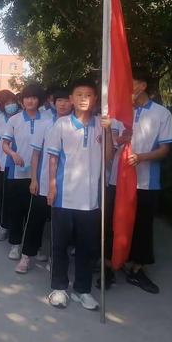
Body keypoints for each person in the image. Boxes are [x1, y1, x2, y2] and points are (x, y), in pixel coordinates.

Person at [104, 68, 172, 294]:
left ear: (143, 85)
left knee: (142, 225)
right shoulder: (118, 113)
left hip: (146, 182)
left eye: (130, 83)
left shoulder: (161, 114)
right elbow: (112, 147)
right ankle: (108, 266)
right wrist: (112, 136)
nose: (125, 88)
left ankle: (137, 269)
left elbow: (165, 149)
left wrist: (142, 157)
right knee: (112, 223)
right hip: (117, 178)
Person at [46, 78, 113, 310]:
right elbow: (52, 158)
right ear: (72, 99)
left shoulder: (100, 125)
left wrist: (108, 131)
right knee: (60, 245)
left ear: (95, 100)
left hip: (91, 200)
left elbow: (108, 157)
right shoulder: (61, 125)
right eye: (79, 95)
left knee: (88, 248)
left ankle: (82, 290)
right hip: (65, 197)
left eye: (88, 95)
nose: (84, 99)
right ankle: (59, 288)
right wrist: (52, 186)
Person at [24, 88, 72, 271]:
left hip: (67, 185)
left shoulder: (76, 125)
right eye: (59, 100)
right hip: (43, 183)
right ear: (53, 102)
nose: (62, 104)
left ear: (72, 102)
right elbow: (35, 155)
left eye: (66, 100)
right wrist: (33, 179)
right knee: (35, 221)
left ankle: (55, 259)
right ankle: (27, 255)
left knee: (61, 227)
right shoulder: (45, 124)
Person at [1, 83, 45, 265]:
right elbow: (4, 144)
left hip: (39, 175)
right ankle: (15, 244)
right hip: (17, 173)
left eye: (34, 97)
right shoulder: (14, 120)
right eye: (27, 97)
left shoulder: (48, 120)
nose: (30, 100)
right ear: (22, 100)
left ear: (39, 100)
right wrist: (13, 154)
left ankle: (35, 247)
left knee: (36, 214)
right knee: (17, 211)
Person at [0, 90, 20, 241]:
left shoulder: (21, 118)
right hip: (2, 163)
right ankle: (1, 225)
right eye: (7, 104)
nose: (10, 106)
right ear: (2, 106)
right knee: (1, 195)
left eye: (12, 102)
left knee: (14, 198)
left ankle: (14, 226)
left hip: (19, 165)